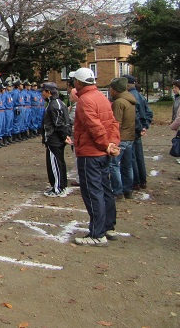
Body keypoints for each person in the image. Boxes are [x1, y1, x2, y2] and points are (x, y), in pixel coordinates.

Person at [72, 68, 121, 247]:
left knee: (93, 193)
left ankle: (97, 233)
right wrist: (112, 144)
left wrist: (105, 144)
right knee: (105, 189)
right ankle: (108, 227)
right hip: (102, 152)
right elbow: (113, 123)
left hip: (90, 153)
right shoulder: (101, 96)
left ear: (78, 82)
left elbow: (95, 127)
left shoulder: (85, 100)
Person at [41, 82, 72, 197]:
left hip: (54, 138)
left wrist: (64, 136)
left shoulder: (54, 105)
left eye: (43, 91)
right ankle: (60, 185)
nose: (41, 93)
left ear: (48, 92)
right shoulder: (57, 103)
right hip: (55, 138)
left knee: (55, 163)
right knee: (58, 162)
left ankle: (58, 188)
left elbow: (58, 124)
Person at [122, 74, 153, 190]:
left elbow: (135, 115)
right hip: (139, 128)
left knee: (132, 156)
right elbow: (149, 113)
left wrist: (140, 127)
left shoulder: (130, 97)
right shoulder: (140, 96)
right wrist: (145, 126)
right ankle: (142, 179)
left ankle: (136, 181)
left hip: (133, 129)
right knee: (139, 156)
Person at [108, 77, 136, 200]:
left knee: (114, 165)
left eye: (111, 88)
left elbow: (116, 122)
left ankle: (118, 191)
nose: (109, 91)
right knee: (127, 165)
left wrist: (112, 140)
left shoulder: (119, 102)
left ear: (116, 90)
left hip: (121, 138)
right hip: (130, 137)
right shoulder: (131, 101)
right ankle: (128, 189)